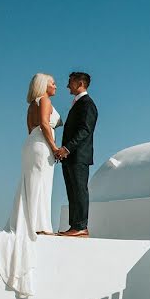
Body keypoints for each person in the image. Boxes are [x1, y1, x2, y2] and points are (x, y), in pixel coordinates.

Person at [0, 73, 62, 298]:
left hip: (30, 144)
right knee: (41, 185)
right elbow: (44, 124)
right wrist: (54, 147)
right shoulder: (45, 101)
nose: (55, 86)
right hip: (41, 144)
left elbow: (31, 128)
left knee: (30, 185)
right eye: (52, 83)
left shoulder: (31, 104)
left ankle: (33, 221)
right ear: (43, 86)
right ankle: (39, 224)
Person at [56, 71, 98, 238]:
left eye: (70, 83)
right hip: (70, 157)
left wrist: (67, 148)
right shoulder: (78, 104)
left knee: (79, 190)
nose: (67, 86)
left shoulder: (87, 104)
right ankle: (74, 226)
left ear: (80, 84)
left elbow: (85, 130)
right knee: (71, 191)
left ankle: (81, 226)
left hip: (79, 156)